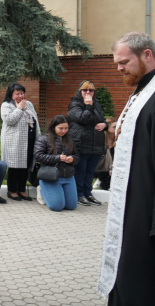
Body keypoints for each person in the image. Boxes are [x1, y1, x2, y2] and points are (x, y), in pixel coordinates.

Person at [98, 32, 155, 305]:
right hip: (129, 205)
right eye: (116, 63)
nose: (119, 68)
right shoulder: (142, 90)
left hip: (146, 210)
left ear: (147, 55)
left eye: (124, 62)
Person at [67, 81, 107, 206]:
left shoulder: (97, 104)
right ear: (80, 91)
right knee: (81, 170)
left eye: (91, 90)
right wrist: (88, 106)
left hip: (95, 144)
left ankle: (88, 193)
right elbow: (82, 119)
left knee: (90, 171)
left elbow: (102, 119)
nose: (88, 92)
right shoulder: (75, 104)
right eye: (85, 90)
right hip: (81, 144)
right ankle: (79, 194)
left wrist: (105, 125)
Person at [0, 82, 40, 201]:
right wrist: (18, 109)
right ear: (11, 94)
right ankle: (12, 191)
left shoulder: (28, 104)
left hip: (29, 140)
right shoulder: (6, 105)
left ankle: (22, 190)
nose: (20, 96)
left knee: (26, 165)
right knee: (14, 166)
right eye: (17, 94)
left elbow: (35, 119)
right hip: (14, 142)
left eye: (22, 93)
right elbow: (9, 120)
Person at [34, 115, 80, 212]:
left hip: (68, 175)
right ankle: (42, 190)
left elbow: (77, 156)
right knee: (57, 207)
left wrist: (72, 159)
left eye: (66, 128)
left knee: (71, 206)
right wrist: (57, 158)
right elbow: (38, 156)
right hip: (51, 176)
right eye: (60, 128)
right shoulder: (43, 139)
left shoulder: (69, 139)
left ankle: (57, 193)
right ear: (53, 127)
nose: (63, 131)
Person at [95, 117, 116, 191]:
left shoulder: (118, 141)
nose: (116, 129)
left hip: (112, 168)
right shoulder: (101, 140)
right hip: (101, 167)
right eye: (114, 127)